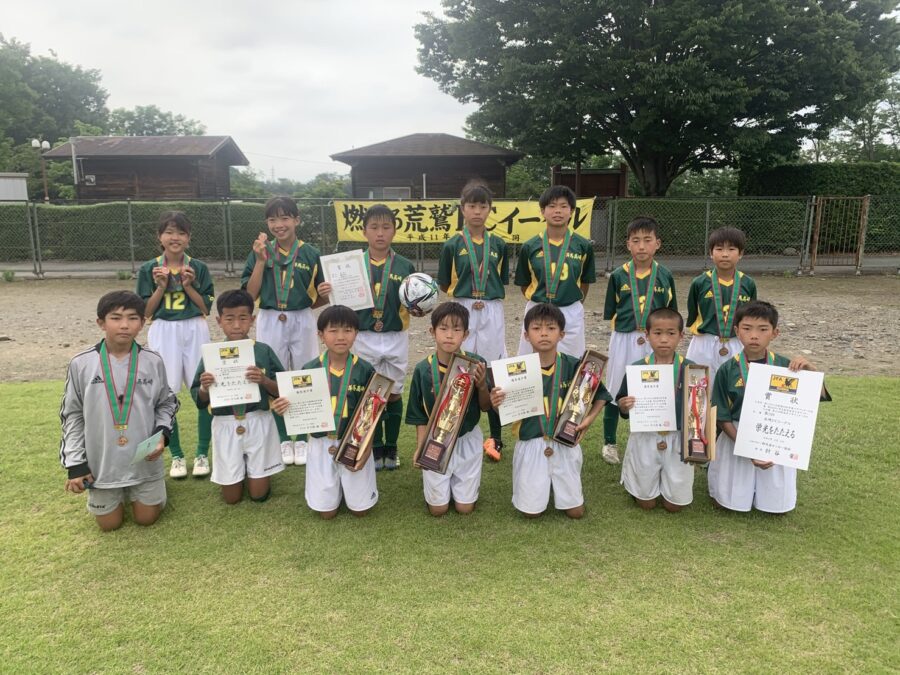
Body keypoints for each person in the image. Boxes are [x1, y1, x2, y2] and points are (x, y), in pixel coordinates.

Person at [60, 291, 178, 531]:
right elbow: (72, 414)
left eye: (133, 318)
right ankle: (115, 491)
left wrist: (161, 435)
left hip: (144, 462)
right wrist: (76, 465)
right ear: (101, 323)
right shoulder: (81, 363)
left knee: (146, 519)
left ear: (142, 323)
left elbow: (166, 403)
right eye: (116, 318)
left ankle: (150, 487)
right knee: (109, 525)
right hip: (102, 465)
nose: (124, 325)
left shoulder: (153, 361)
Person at [490, 303, 611, 519]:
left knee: (575, 512)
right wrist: (496, 402)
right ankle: (542, 485)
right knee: (531, 513)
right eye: (536, 328)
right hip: (531, 443)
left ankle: (557, 485)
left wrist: (589, 419)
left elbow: (601, 395)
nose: (544, 333)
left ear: (562, 334)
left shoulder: (576, 366)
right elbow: (504, 414)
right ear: (526, 335)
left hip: (565, 442)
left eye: (551, 328)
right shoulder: (515, 371)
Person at [709, 301, 831, 514]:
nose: (754, 335)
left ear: (775, 333)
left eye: (763, 329)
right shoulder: (727, 370)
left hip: (776, 434)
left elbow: (817, 396)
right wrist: (747, 446)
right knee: (727, 504)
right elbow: (721, 417)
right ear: (737, 331)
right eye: (747, 329)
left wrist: (811, 371)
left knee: (777, 507)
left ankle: (770, 495)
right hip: (737, 435)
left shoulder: (786, 367)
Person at [319, 204, 415, 471]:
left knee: (393, 392)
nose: (380, 233)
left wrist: (420, 302)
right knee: (367, 393)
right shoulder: (348, 264)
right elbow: (335, 301)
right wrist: (327, 290)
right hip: (362, 336)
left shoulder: (406, 265)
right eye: (374, 227)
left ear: (395, 231)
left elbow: (414, 305)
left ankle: (391, 447)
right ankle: (370, 445)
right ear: (364, 232)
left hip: (395, 335)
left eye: (386, 227)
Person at [242, 196, 324, 467]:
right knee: (272, 375)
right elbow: (249, 294)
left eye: (285, 217)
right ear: (267, 222)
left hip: (301, 317)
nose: (279, 224)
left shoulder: (311, 253)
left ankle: (300, 437)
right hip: (268, 316)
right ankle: (281, 437)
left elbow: (320, 296)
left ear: (297, 220)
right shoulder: (259, 251)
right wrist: (259, 261)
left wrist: (323, 295)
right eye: (273, 219)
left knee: (303, 375)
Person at [136, 210, 215, 479]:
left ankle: (203, 452)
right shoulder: (149, 268)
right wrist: (160, 287)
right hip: (164, 330)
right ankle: (178, 456)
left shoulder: (199, 267)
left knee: (204, 389)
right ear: (160, 237)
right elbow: (145, 313)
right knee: (166, 394)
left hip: (194, 326)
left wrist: (189, 286)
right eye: (169, 232)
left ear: (188, 238)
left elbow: (206, 307)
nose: (175, 237)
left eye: (181, 232)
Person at [279, 305, 378, 519]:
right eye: (333, 331)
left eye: (348, 330)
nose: (341, 337)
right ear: (320, 334)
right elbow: (299, 407)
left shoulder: (365, 370)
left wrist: (366, 448)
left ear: (356, 333)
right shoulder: (309, 369)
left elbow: (372, 414)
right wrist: (286, 406)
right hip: (321, 443)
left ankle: (350, 490)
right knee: (326, 513)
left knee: (361, 511)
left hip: (354, 441)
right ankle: (333, 491)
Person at [191, 290, 285, 505]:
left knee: (258, 495)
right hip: (225, 423)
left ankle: (256, 471)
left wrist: (263, 380)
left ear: (252, 320)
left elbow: (282, 390)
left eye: (243, 318)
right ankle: (240, 469)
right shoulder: (212, 354)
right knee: (231, 498)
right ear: (219, 321)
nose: (236, 325)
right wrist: (205, 388)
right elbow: (199, 399)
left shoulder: (263, 351)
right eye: (229, 319)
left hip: (258, 421)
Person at [438, 180, 509, 461]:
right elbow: (445, 282)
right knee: (459, 367)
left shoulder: (499, 245)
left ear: (490, 209)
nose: (477, 211)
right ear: (462, 209)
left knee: (490, 371)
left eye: (483, 205)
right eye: (471, 205)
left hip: (491, 308)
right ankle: (453, 429)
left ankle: (496, 437)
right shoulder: (453, 244)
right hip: (462, 306)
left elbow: (502, 280)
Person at [601, 216, 677, 465]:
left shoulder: (665, 275)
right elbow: (612, 311)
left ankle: (654, 435)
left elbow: (670, 312)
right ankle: (610, 443)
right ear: (628, 245)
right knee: (614, 388)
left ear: (658, 244)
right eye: (636, 241)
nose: (642, 246)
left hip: (655, 339)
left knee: (656, 386)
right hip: (624, 337)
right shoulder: (618, 276)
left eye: (647, 240)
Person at [406, 302, 492, 516]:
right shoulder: (422, 369)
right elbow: (419, 416)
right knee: (438, 510)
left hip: (467, 439)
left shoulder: (476, 363)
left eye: (456, 329)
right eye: (443, 328)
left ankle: (463, 488)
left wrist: (482, 386)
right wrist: (420, 448)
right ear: (432, 331)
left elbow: (485, 406)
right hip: (435, 440)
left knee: (464, 508)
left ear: (466, 334)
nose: (449, 335)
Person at [615, 308, 696, 512]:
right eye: (657, 333)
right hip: (646, 436)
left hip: (678, 438)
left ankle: (669, 484)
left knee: (674, 506)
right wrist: (624, 406)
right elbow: (622, 404)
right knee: (646, 504)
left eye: (671, 333)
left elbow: (699, 409)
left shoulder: (691, 369)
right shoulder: (637, 369)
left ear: (681, 336)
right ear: (647, 335)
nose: (664, 339)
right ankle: (641, 486)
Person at [515, 185, 596, 358]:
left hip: (570, 310)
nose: (557, 211)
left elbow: (585, 282)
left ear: (572, 211)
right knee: (532, 362)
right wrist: (542, 301)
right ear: (543, 211)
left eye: (563, 206)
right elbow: (524, 284)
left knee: (571, 361)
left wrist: (571, 300)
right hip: (538, 309)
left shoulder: (583, 245)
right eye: (552, 206)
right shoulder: (530, 246)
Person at [685, 227, 758, 380]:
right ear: (711, 253)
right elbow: (692, 312)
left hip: (736, 342)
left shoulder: (748, 284)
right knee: (698, 390)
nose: (725, 254)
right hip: (704, 342)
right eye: (719, 249)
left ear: (741, 254)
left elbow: (752, 316)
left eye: (731, 249)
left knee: (735, 388)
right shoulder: (699, 283)